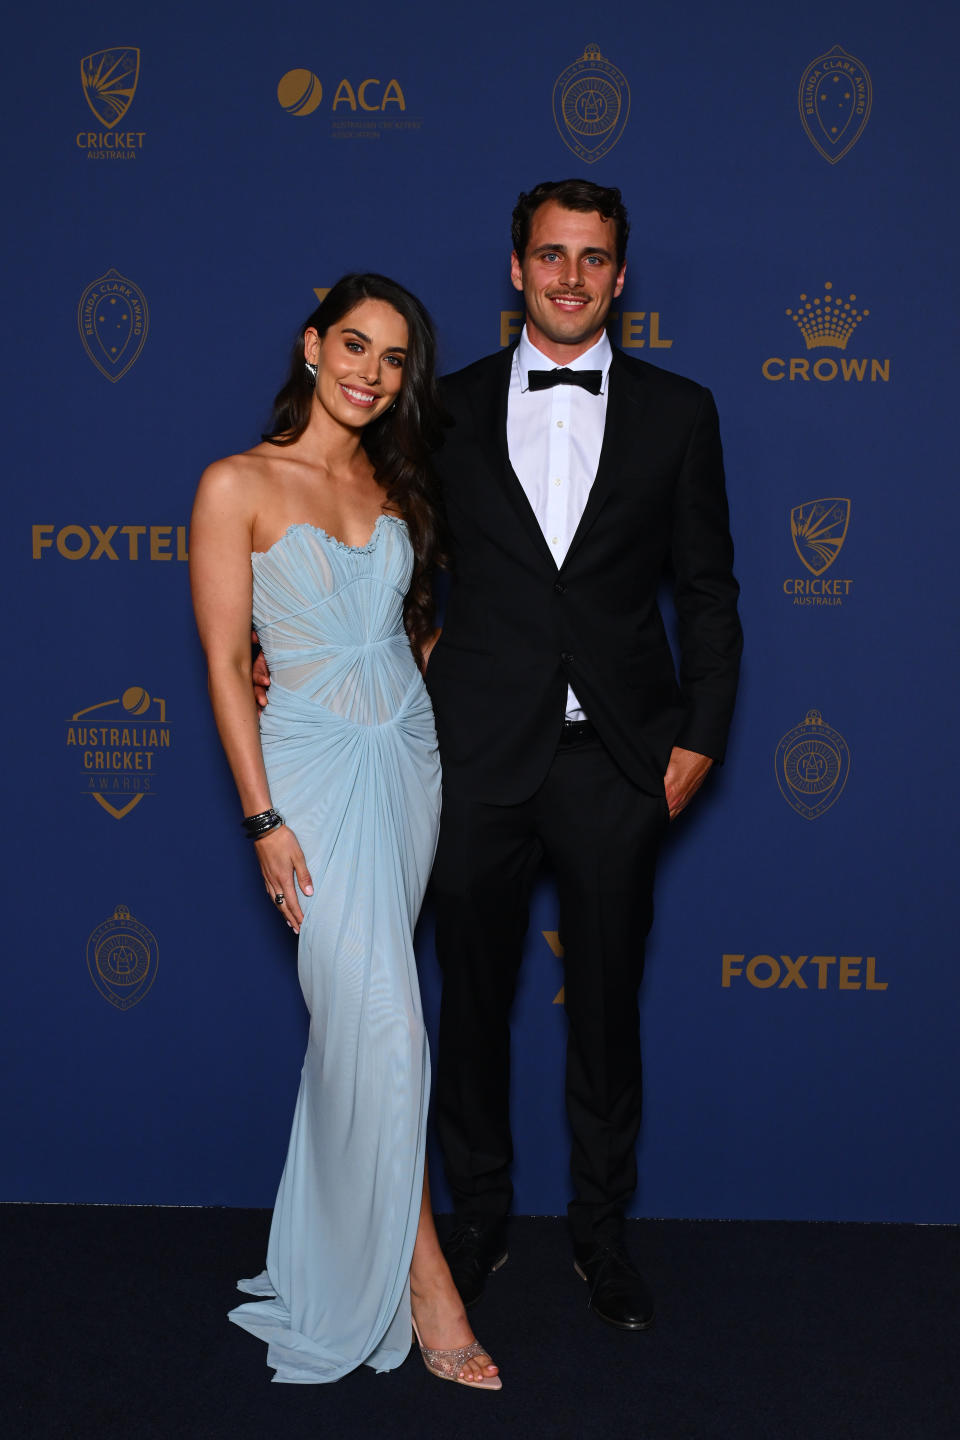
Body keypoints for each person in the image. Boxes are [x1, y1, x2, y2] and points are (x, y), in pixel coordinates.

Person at [425, 180, 743, 1330]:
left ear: (621, 275)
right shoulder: (444, 408)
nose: (570, 277)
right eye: (550, 255)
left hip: (617, 759)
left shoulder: (681, 411)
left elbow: (708, 591)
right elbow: (398, 573)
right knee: (472, 1001)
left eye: (593, 258)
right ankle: (479, 1218)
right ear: (515, 269)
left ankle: (602, 1237)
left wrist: (700, 735)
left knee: (607, 1010)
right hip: (471, 756)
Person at [190, 274, 500, 1388]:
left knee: (361, 1039)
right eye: (355, 346)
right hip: (308, 777)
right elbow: (229, 662)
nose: (370, 372)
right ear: (313, 345)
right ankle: (426, 1282)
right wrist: (263, 816)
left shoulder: (400, 484)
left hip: (407, 767)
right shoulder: (236, 483)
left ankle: (353, 1251)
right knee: (383, 1031)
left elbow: (408, 640)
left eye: (393, 359)